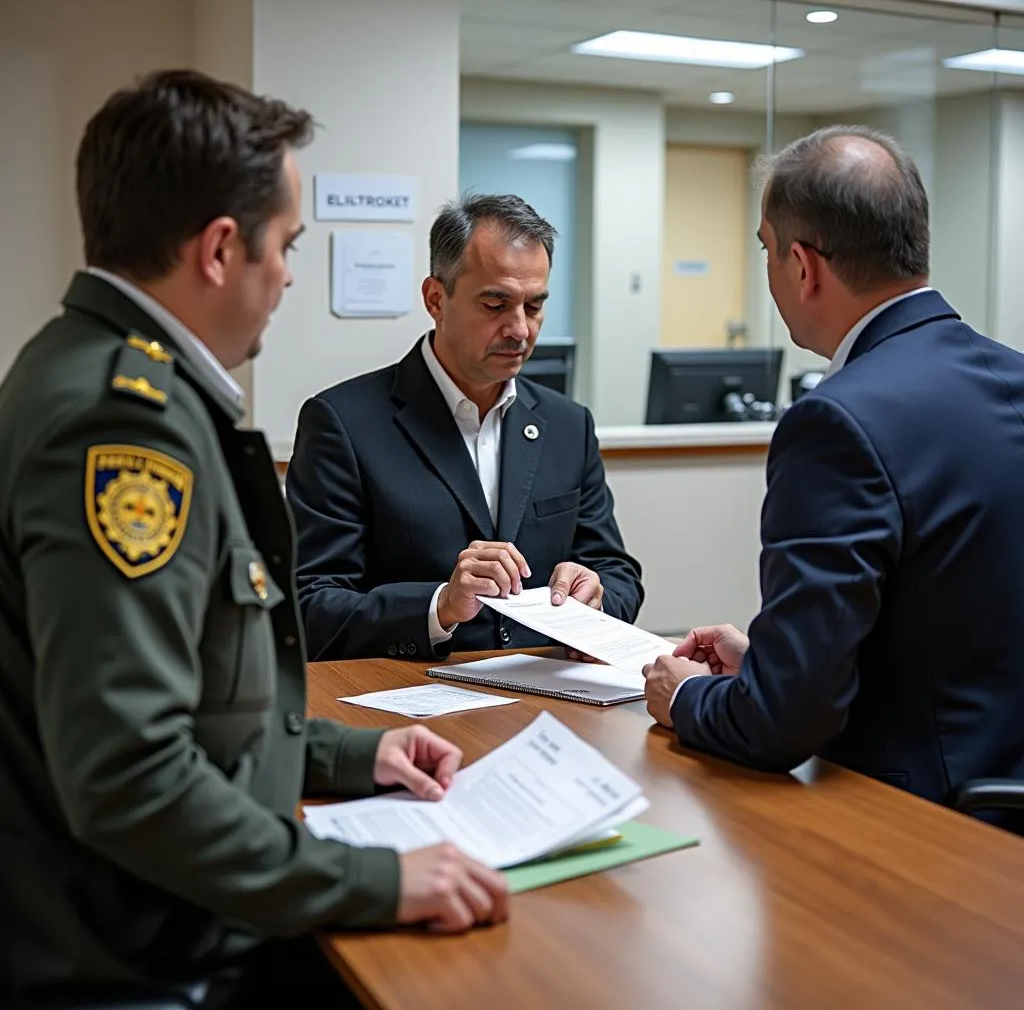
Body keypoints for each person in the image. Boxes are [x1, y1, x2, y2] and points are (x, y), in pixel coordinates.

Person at [0, 70, 507, 1009]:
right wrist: (376, 882)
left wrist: (354, 755)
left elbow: (195, 701)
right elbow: (129, 775)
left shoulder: (92, 369)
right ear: (222, 249)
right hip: (138, 949)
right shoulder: (123, 426)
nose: (286, 277)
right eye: (286, 247)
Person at [643, 125, 1024, 824]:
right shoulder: (1013, 375)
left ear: (801, 265)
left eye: (764, 249)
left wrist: (688, 696)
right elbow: (962, 618)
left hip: (924, 832)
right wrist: (771, 659)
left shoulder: (836, 422)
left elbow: (783, 724)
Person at [286, 194, 643, 661]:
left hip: (548, 701)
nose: (520, 329)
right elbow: (308, 606)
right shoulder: (342, 423)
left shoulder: (566, 424)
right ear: (436, 299)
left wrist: (596, 597)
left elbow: (616, 572)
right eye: (496, 304)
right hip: (410, 707)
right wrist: (440, 606)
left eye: (534, 306)